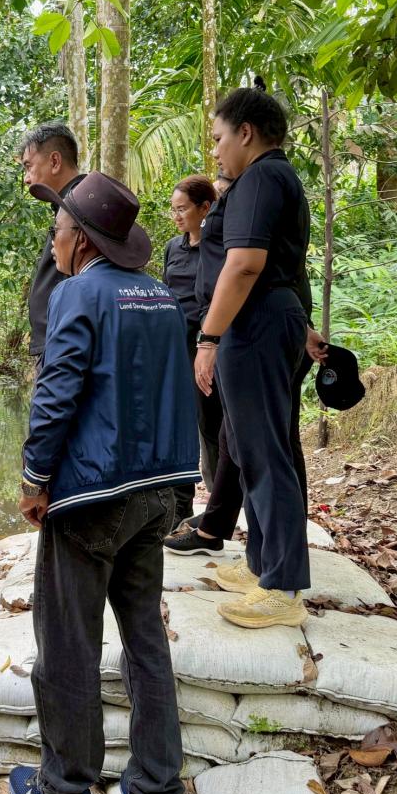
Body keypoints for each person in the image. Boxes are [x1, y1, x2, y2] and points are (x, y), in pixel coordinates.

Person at [13, 172, 199, 794]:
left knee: (67, 643)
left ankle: (66, 788)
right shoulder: (157, 296)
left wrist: (36, 479)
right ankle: (155, 792)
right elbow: (180, 392)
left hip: (94, 494)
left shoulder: (78, 295)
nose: (54, 239)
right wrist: (182, 488)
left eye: (58, 228)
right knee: (145, 637)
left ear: (83, 240)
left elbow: (57, 392)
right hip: (154, 492)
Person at [192, 88, 313, 629]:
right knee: (245, 444)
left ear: (246, 132)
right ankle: (263, 563)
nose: (216, 151)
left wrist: (208, 337)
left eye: (219, 138)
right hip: (264, 318)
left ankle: (284, 588)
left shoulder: (261, 178)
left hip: (257, 319)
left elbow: (243, 265)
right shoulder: (267, 179)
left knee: (266, 451)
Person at [166, 166, 326, 558]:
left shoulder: (255, 237)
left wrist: (209, 340)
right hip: (231, 341)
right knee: (235, 440)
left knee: (268, 447)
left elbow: (256, 276)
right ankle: (251, 548)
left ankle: (279, 564)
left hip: (246, 341)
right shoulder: (208, 244)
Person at [162, 174, 216, 530]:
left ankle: (219, 505)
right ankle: (179, 507)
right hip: (172, 347)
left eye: (183, 209)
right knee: (176, 427)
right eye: (174, 210)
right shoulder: (172, 248)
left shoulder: (218, 249)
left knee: (210, 426)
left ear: (204, 209)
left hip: (206, 347)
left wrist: (207, 343)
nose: (177, 216)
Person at [19, 123, 86, 366]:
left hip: (65, 346)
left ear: (55, 161)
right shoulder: (66, 205)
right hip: (58, 342)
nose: (27, 179)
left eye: (29, 167)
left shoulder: (82, 205)